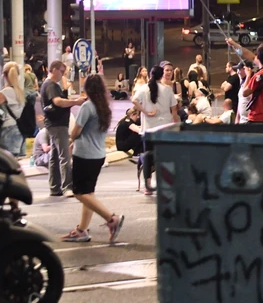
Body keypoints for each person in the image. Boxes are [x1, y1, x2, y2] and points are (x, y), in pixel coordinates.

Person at [61, 75, 124, 243]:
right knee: (88, 193)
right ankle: (82, 230)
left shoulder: (87, 107)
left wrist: (72, 139)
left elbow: (75, 132)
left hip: (84, 155)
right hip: (98, 155)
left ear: (87, 88)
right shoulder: (104, 107)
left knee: (79, 192)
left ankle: (111, 219)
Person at [41, 61, 86, 197]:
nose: (62, 75)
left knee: (55, 157)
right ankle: (67, 187)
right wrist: (75, 102)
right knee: (65, 155)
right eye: (62, 71)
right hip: (57, 124)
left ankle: (55, 187)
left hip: (53, 123)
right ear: (54, 70)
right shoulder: (51, 85)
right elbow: (58, 102)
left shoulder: (47, 84)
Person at [132, 65, 179, 194]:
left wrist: (145, 112)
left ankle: (148, 186)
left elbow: (134, 100)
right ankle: (165, 182)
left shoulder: (143, 89)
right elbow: (174, 111)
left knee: (147, 156)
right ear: (161, 75)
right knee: (165, 155)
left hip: (148, 129)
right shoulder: (168, 90)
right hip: (165, 128)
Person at [0, 62, 27, 157]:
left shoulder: (6, 92)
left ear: (4, 75)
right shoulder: (19, 91)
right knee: (15, 164)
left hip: (7, 129)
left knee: (6, 164)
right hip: (18, 129)